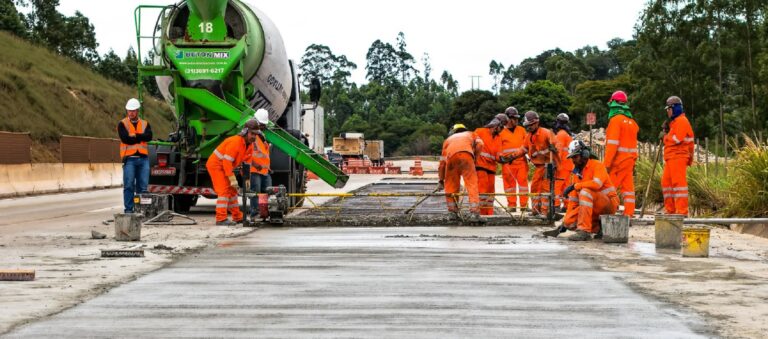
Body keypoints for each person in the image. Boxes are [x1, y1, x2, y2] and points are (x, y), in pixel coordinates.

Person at [559, 140, 620, 241]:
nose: (573, 160)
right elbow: (573, 202)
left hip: (608, 205)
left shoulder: (597, 165)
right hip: (593, 207)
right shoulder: (576, 173)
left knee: (585, 192)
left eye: (575, 157)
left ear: (584, 155)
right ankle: (599, 228)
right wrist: (565, 222)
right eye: (572, 158)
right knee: (569, 222)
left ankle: (584, 231)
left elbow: (596, 184)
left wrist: (576, 186)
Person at [206, 119, 258, 226]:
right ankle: (220, 219)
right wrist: (232, 178)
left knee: (233, 192)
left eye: (256, 134)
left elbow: (246, 166)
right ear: (245, 131)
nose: (254, 136)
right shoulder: (235, 142)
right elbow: (226, 162)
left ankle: (238, 217)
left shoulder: (250, 146)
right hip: (216, 166)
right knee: (224, 191)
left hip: (225, 166)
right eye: (252, 133)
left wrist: (246, 180)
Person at [509, 111, 560, 216]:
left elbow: (557, 146)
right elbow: (523, 149)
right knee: (534, 188)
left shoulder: (546, 133)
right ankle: (535, 210)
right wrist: (512, 156)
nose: (529, 127)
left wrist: (554, 149)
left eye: (530, 125)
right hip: (538, 167)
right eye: (528, 126)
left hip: (548, 166)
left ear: (536, 123)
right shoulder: (529, 136)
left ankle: (545, 212)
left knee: (545, 189)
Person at [603, 91, 639, 217]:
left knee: (610, 188)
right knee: (628, 188)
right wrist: (634, 161)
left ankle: (609, 211)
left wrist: (606, 164)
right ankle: (629, 213)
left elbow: (612, 145)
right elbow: (633, 145)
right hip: (629, 160)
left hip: (618, 161)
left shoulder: (615, 121)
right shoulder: (632, 123)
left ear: (613, 103)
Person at [438, 123, 484, 219]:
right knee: (471, 184)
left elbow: (442, 164)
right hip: (466, 156)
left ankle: (452, 213)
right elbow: (480, 144)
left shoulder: (447, 140)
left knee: (450, 184)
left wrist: (441, 180)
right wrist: (475, 158)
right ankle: (474, 213)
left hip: (451, 158)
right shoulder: (471, 134)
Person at [117, 98, 152, 213]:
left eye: (133, 111)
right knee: (129, 186)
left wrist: (134, 136)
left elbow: (149, 137)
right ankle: (128, 211)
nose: (131, 113)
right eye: (129, 110)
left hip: (143, 159)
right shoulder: (122, 124)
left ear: (137, 111)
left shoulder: (145, 123)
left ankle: (142, 211)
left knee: (143, 187)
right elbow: (126, 139)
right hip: (129, 160)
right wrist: (140, 137)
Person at [661, 96, 695, 216]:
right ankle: (670, 210)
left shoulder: (682, 121)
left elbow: (676, 139)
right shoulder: (675, 122)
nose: (667, 111)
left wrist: (665, 136)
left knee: (678, 184)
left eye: (669, 109)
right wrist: (667, 131)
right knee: (666, 184)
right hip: (671, 157)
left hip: (678, 156)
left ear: (675, 108)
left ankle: (682, 212)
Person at [474, 113, 509, 215]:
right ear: (496, 125)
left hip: (491, 168)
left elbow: (498, 153)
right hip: (480, 166)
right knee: (482, 190)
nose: (502, 130)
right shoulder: (480, 131)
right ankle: (480, 213)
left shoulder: (498, 138)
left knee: (490, 193)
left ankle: (489, 213)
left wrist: (502, 158)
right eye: (501, 127)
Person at [498, 107, 530, 213]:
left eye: (517, 118)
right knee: (509, 186)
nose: (516, 120)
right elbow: (497, 148)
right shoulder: (501, 132)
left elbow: (527, 145)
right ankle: (511, 205)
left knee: (523, 185)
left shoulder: (521, 130)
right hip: (508, 164)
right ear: (508, 119)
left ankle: (524, 206)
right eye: (514, 118)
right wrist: (500, 158)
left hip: (521, 162)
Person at [249, 109, 273, 220]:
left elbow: (264, 154)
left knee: (266, 191)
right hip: (254, 169)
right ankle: (255, 213)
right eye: (262, 124)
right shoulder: (251, 135)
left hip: (264, 169)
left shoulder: (262, 136)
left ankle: (263, 212)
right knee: (255, 192)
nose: (264, 127)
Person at [552, 113, 574, 211]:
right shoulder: (568, 135)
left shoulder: (560, 135)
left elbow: (558, 151)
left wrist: (555, 164)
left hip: (562, 166)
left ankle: (556, 205)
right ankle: (566, 205)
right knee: (566, 186)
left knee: (557, 186)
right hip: (569, 165)